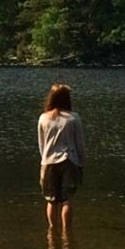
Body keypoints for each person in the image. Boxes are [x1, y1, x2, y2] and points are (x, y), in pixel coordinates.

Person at [37, 83, 86, 232]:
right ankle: (66, 232)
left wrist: (44, 158)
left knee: (51, 200)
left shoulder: (43, 118)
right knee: (67, 199)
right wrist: (81, 163)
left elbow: (41, 143)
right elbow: (80, 143)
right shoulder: (73, 118)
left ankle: (52, 230)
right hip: (69, 160)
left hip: (48, 161)